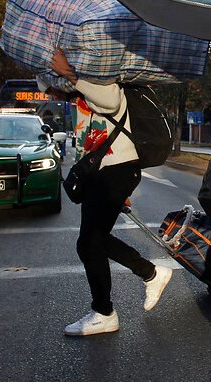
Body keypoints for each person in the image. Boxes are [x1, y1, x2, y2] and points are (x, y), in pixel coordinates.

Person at [49, 49, 172, 337]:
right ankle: (150, 274)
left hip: (116, 172)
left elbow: (112, 100)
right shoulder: (83, 88)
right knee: (92, 241)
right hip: (104, 174)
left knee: (90, 242)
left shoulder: (105, 83)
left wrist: (69, 73)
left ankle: (105, 312)